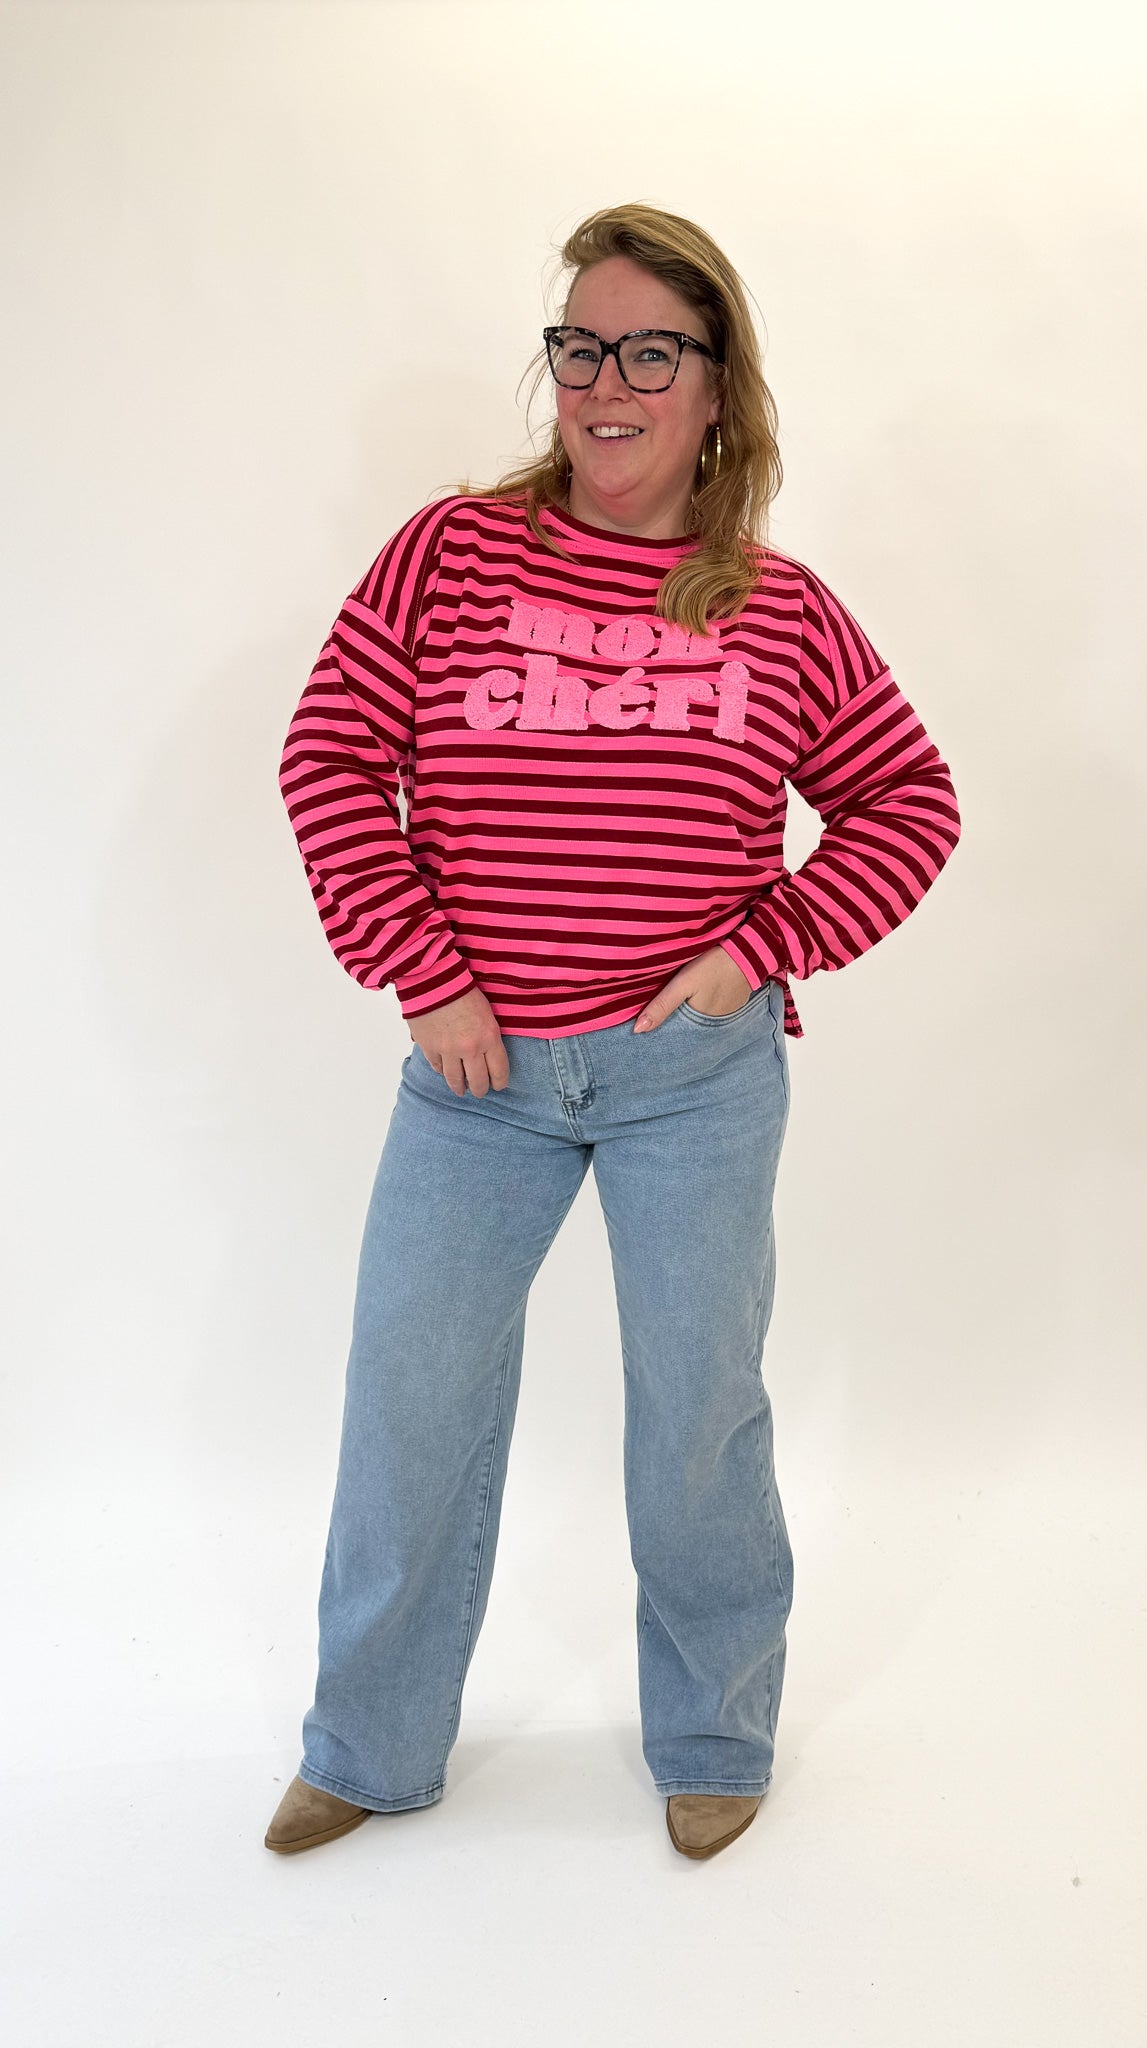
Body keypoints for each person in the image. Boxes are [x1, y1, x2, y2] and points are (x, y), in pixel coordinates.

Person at [265, 202, 961, 1861]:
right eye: (581, 347)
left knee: (696, 1412)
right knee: (410, 1399)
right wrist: (424, 972)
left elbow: (908, 802)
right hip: (476, 1078)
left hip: (690, 1085)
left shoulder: (778, 608)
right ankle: (368, 1744)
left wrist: (759, 951)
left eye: (652, 353)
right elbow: (330, 755)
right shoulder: (451, 556)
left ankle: (715, 1731)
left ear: (718, 389)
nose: (606, 384)